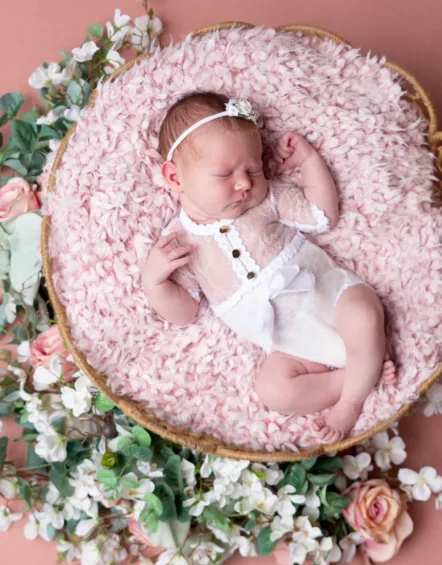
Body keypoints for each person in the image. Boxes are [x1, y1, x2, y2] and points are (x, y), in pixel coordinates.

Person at [142, 91, 397, 444]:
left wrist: (308, 161)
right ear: (174, 178)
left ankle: (350, 402)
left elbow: (323, 214)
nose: (244, 182)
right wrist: (154, 282)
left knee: (364, 315)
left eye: (254, 169)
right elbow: (185, 311)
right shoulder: (178, 242)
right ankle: (352, 376)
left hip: (330, 297)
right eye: (224, 174)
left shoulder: (267, 200)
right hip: (292, 346)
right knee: (274, 391)